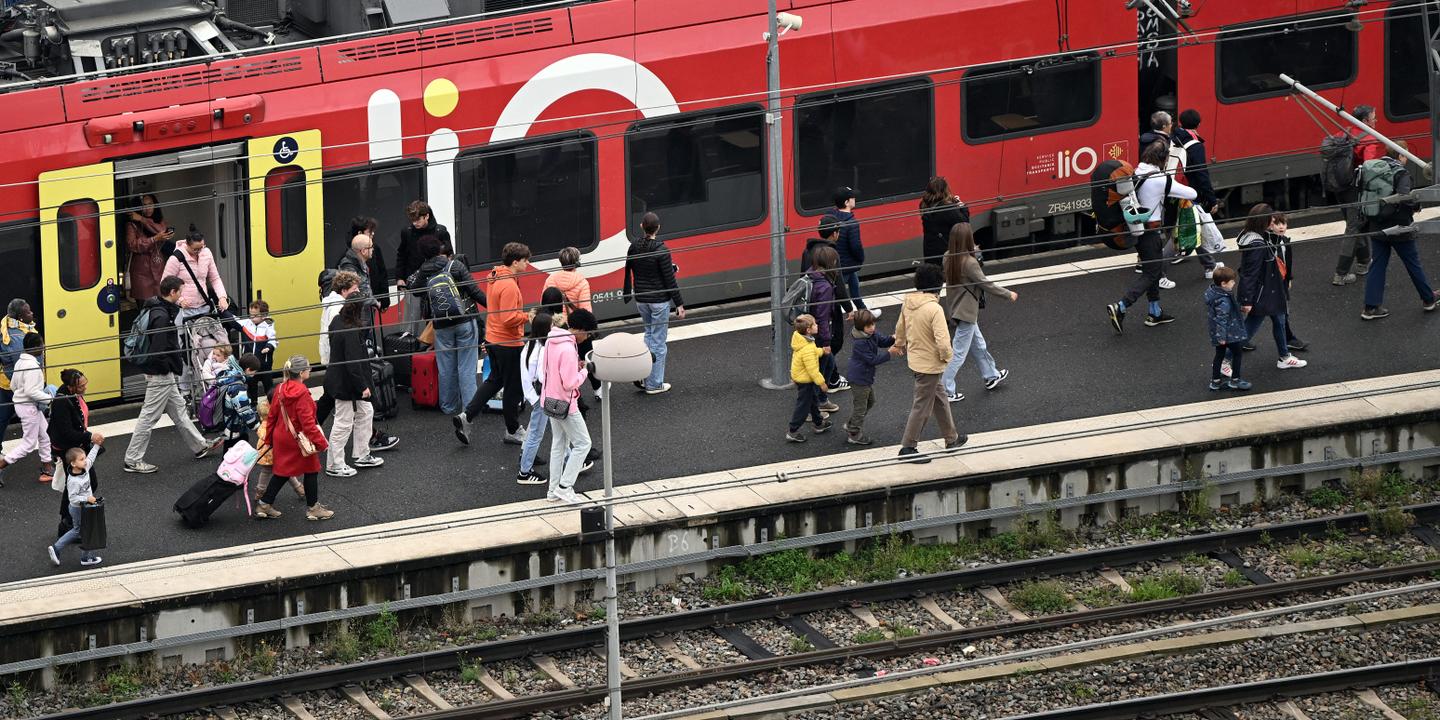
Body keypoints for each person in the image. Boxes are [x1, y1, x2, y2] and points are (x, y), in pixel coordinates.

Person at [124, 276, 224, 474]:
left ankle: (200, 445)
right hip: (160, 373)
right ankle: (132, 459)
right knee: (149, 416)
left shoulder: (156, 308)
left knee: (178, 409)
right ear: (172, 292)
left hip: (163, 372)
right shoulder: (161, 316)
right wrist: (169, 367)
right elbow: (160, 348)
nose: (182, 295)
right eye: (181, 291)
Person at [1106, 138, 1198, 333]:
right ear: (1163, 159)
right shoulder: (1160, 179)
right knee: (1151, 273)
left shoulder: (1136, 171)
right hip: (1150, 232)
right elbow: (1192, 194)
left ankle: (1154, 312)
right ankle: (1121, 306)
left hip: (1136, 228)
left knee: (1153, 268)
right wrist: (1169, 184)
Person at [454, 242, 531, 446]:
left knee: (494, 381)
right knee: (513, 388)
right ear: (515, 262)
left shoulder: (496, 277)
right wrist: (527, 316)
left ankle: (467, 416)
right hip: (508, 342)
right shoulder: (509, 285)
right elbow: (508, 318)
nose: (528, 264)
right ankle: (513, 430)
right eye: (525, 260)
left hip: (493, 338)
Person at [894, 264, 966, 463]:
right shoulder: (934, 308)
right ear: (939, 286)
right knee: (922, 406)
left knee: (940, 399)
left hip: (916, 361)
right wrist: (947, 357)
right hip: (930, 365)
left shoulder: (908, 303)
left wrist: (899, 344)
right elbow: (943, 341)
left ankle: (951, 438)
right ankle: (908, 447)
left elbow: (900, 327)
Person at [406, 237, 486, 415]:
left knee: (446, 367)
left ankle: (449, 406)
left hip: (441, 325)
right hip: (465, 320)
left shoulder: (423, 272)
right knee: (466, 366)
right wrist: (495, 308)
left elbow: (416, 291)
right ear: (439, 249)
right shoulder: (455, 266)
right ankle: (470, 409)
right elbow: (474, 290)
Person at [1360, 140, 1435, 320]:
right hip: (1400, 227)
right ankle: (1428, 299)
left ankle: (1370, 308)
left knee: (1377, 264)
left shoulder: (1374, 169)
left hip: (1376, 224)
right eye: (1406, 154)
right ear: (1401, 155)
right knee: (1412, 263)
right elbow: (1404, 197)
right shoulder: (1401, 173)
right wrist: (1417, 205)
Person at [254, 355, 334, 521]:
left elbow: (272, 417)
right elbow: (308, 424)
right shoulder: (302, 393)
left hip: (281, 436)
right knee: (311, 470)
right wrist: (321, 443)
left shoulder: (280, 388)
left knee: (283, 471)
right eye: (308, 368)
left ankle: (264, 504)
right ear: (302, 372)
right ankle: (313, 508)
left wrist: (269, 439)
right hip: (298, 438)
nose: (310, 370)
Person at [940, 223, 1014, 402]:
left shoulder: (948, 256)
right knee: (958, 353)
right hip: (967, 311)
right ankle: (945, 390)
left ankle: (991, 375)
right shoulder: (970, 262)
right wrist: (1008, 294)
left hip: (957, 307)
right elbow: (985, 284)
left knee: (979, 344)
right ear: (967, 240)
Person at [1237, 205, 1307, 370]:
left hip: (1273, 287)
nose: (1279, 226)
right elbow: (1250, 273)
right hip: (1265, 291)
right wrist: (1247, 300)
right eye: (1274, 222)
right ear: (1266, 222)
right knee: (1252, 326)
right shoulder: (1260, 243)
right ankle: (1225, 359)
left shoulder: (1258, 238)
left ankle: (1284, 356)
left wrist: (1287, 278)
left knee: (1280, 320)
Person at [623, 213, 686, 395]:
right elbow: (669, 280)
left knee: (648, 337)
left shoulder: (633, 247)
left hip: (642, 300)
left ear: (642, 226)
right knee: (658, 343)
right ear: (658, 228)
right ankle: (654, 384)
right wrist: (679, 304)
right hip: (659, 302)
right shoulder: (662, 250)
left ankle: (644, 377)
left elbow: (638, 269)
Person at [541, 309, 598, 504]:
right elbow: (570, 382)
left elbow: (547, 371)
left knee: (558, 445)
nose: (587, 337)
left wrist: (575, 367)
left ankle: (552, 491)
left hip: (550, 400)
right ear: (580, 330)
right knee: (583, 444)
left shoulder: (551, 340)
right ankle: (565, 487)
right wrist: (584, 371)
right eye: (588, 333)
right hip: (566, 404)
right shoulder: (567, 349)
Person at [324, 297, 383, 478]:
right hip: (346, 383)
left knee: (365, 412)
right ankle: (334, 464)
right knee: (343, 422)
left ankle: (361, 454)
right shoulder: (350, 330)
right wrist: (362, 386)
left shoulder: (337, 321)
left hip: (339, 378)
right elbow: (353, 363)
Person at [1334, 104, 1385, 285]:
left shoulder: (1344, 132)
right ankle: (1340, 274)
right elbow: (1369, 168)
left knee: (1356, 224)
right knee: (1354, 228)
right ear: (1365, 121)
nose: (1376, 120)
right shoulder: (1370, 138)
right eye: (1373, 118)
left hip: (1340, 186)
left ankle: (1364, 262)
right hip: (1355, 189)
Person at [48, 369, 102, 535]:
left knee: (78, 483)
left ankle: (69, 522)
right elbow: (66, 432)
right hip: (68, 450)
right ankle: (68, 523)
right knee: (84, 483)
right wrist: (90, 436)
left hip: (76, 445)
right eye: (81, 385)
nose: (85, 387)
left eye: (85, 382)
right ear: (71, 387)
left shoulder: (72, 396)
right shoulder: (62, 402)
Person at [1171, 109, 1223, 278]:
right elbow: (1202, 174)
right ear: (1199, 124)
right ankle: (1156, 269)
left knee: (1188, 225)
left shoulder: (1173, 138)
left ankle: (1208, 265)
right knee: (1193, 226)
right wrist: (1211, 199)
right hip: (1188, 191)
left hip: (1171, 187)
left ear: (1180, 122)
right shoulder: (1195, 145)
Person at [0, 332, 53, 484]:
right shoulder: (32, 366)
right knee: (29, 444)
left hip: (24, 405)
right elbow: (31, 391)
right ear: (36, 347)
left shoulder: (20, 362)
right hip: (29, 407)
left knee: (45, 436)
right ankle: (1, 465)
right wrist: (48, 398)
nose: (43, 347)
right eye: (42, 344)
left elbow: (13, 385)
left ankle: (47, 469)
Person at [844, 309, 900, 446]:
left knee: (870, 402)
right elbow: (873, 360)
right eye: (869, 326)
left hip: (864, 377)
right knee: (861, 407)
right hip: (859, 379)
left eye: (873, 324)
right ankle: (854, 433)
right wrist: (890, 353)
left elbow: (883, 341)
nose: (873, 328)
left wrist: (893, 338)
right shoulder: (860, 343)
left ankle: (852, 424)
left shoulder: (871, 334)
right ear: (861, 327)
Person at [396, 201, 453, 334]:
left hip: (436, 282)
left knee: (436, 318)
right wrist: (400, 277)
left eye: (417, 219)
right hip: (413, 281)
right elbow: (402, 255)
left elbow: (449, 256)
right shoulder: (407, 232)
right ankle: (409, 348)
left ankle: (436, 346)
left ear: (426, 216)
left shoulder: (440, 231)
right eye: (412, 220)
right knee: (411, 321)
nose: (415, 223)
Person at [808, 245, 852, 406]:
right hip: (819, 336)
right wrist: (826, 342)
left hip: (810, 331)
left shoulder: (811, 275)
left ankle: (822, 400)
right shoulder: (825, 286)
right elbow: (822, 317)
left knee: (827, 366)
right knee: (822, 370)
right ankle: (814, 407)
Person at [46, 444, 104, 568]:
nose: (85, 461)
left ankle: (59, 549)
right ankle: (85, 557)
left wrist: (97, 445)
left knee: (80, 530)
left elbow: (91, 458)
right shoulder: (73, 481)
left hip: (84, 506)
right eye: (81, 459)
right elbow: (73, 498)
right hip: (78, 508)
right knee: (86, 530)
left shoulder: (85, 468)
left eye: (84, 458)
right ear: (73, 464)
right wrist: (87, 498)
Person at [516, 312, 555, 486]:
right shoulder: (542, 349)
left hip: (533, 395)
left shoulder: (529, 345)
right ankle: (524, 472)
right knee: (536, 435)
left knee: (555, 427)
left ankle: (572, 458)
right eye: (552, 326)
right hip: (541, 397)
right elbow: (541, 375)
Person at [163, 229, 232, 326]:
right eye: (195, 249)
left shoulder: (206, 253)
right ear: (187, 244)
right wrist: (180, 300)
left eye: (201, 247)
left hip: (204, 306)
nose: (199, 252)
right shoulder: (175, 258)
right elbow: (165, 285)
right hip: (184, 310)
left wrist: (222, 297)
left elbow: (215, 278)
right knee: (187, 338)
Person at [825, 187, 876, 315]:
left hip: (839, 262)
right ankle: (832, 317)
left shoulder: (830, 217)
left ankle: (864, 312)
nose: (855, 199)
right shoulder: (851, 223)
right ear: (847, 202)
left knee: (854, 287)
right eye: (852, 198)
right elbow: (856, 246)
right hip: (846, 264)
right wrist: (860, 259)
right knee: (838, 293)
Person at [785, 314, 832, 443]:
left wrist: (822, 351)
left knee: (812, 401)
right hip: (806, 380)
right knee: (803, 406)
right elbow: (812, 370)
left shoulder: (802, 340)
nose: (817, 326)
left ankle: (818, 423)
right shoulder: (807, 349)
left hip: (800, 377)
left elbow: (813, 352)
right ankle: (793, 431)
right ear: (809, 330)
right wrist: (822, 383)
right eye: (815, 324)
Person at [1204, 267, 1252, 392]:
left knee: (1219, 355)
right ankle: (1235, 380)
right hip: (1229, 334)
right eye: (1232, 281)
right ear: (1223, 284)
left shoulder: (1215, 293)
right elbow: (1222, 319)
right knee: (1237, 353)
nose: (1234, 283)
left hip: (1220, 333)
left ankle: (1215, 382)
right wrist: (1221, 337)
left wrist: (1239, 308)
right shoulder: (1224, 299)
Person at [252, 395, 304, 504]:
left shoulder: (263, 425)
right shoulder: (273, 425)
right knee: (286, 471)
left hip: (265, 454)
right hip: (276, 452)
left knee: (266, 472)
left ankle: (260, 492)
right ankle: (299, 489)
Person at [124, 194, 172, 302]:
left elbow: (161, 231)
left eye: (150, 204)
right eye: (144, 205)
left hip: (158, 265)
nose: (148, 208)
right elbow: (132, 245)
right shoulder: (132, 224)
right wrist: (153, 239)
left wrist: (142, 219)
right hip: (141, 270)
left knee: (161, 303)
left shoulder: (158, 221)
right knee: (145, 307)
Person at [0, 298, 37, 439]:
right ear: (20, 317)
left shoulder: (13, 328)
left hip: (6, 383)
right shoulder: (17, 338)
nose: (32, 313)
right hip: (17, 385)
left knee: (3, 418)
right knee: (35, 417)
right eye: (28, 312)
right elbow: (22, 365)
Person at [919, 177, 971, 265]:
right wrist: (963, 207)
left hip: (930, 252)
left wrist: (953, 203)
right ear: (944, 190)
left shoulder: (924, 205)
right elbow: (963, 222)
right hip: (945, 252)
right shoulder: (946, 208)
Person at [348, 217, 390, 312]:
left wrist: (384, 300)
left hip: (375, 299)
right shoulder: (349, 256)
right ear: (360, 233)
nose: (373, 234)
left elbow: (382, 274)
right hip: (359, 305)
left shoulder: (375, 248)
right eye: (370, 231)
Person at [237, 299, 278, 385]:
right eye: (250, 314)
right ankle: (253, 399)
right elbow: (234, 321)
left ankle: (270, 398)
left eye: (255, 315)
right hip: (250, 364)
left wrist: (268, 347)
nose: (252, 317)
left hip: (264, 363)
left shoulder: (268, 325)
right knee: (251, 385)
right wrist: (224, 311)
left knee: (268, 383)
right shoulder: (247, 323)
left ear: (264, 316)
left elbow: (273, 339)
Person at [337, 234, 380, 311]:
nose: (373, 249)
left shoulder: (361, 262)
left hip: (365, 311)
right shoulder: (349, 267)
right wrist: (374, 302)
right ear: (363, 251)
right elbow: (355, 293)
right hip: (358, 314)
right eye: (371, 247)